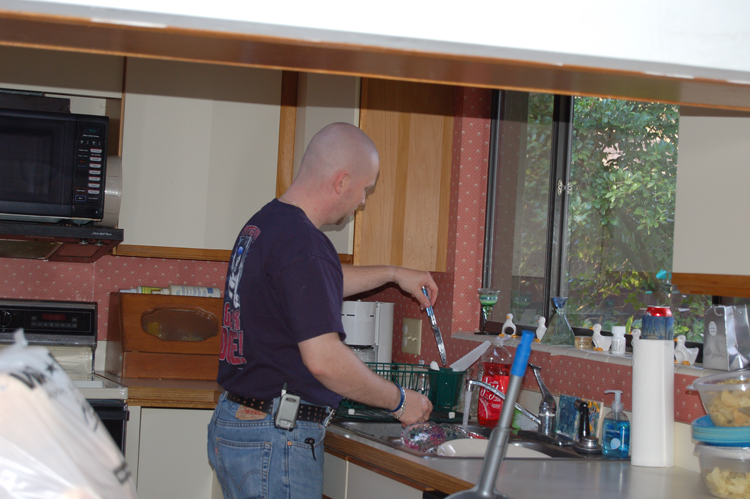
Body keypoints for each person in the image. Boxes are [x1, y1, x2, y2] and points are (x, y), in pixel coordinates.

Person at [207, 122, 435, 499]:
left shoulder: (267, 223)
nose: (362, 201)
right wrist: (399, 400)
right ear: (342, 181)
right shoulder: (303, 244)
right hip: (276, 437)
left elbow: (311, 283)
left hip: (241, 424)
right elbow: (324, 361)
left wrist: (394, 274)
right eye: (365, 189)